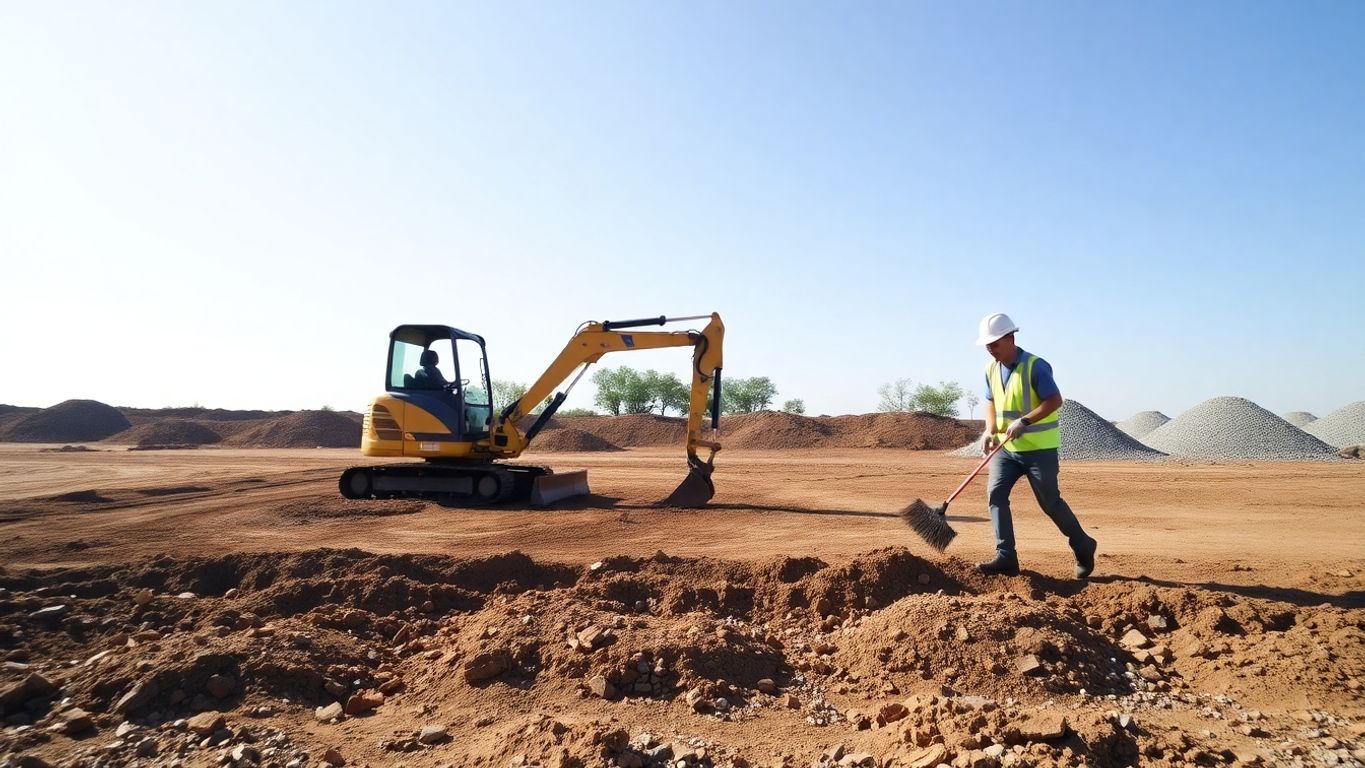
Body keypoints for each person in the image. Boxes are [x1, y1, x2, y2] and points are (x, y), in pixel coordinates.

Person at [974, 312, 1097, 578]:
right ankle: (1006, 557)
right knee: (995, 495)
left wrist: (1025, 421)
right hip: (1006, 449)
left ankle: (1083, 544)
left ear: (1010, 338)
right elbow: (992, 402)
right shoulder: (990, 370)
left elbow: (1054, 400)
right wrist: (989, 429)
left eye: (994, 343)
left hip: (1038, 450)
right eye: (987, 345)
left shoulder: (1035, 366)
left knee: (1050, 503)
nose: (990, 349)